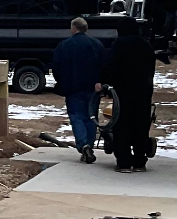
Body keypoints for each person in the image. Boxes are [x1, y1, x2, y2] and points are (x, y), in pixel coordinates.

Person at [50, 16, 106, 164]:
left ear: (74, 28)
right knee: (91, 117)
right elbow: (104, 65)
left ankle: (83, 145)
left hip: (72, 88)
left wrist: (61, 81)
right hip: (93, 89)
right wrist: (101, 82)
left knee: (76, 116)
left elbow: (56, 66)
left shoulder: (64, 45)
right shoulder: (97, 44)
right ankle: (90, 145)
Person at [102, 24, 157, 171]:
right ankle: (140, 161)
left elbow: (111, 66)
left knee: (122, 127)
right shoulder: (146, 45)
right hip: (143, 93)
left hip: (123, 93)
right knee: (141, 127)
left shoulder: (119, 45)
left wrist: (106, 84)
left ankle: (124, 161)